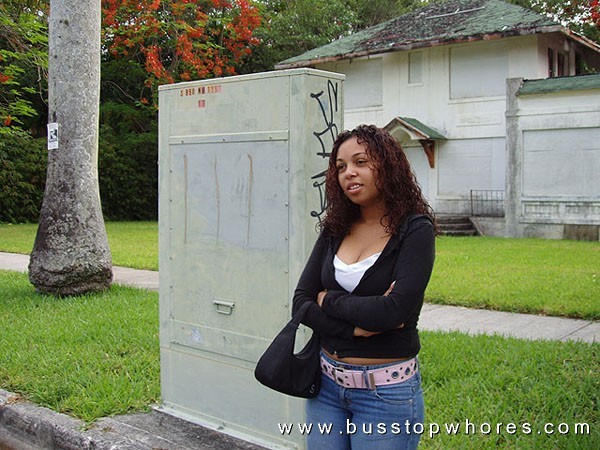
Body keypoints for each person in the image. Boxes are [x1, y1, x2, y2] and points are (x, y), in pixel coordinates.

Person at [292, 124, 436, 449]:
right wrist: (356, 330)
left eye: (360, 162)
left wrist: (328, 300)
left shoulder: (415, 230)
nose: (348, 173)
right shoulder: (336, 229)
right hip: (325, 386)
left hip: (385, 395)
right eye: (341, 167)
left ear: (386, 165)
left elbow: (392, 311)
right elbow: (301, 302)